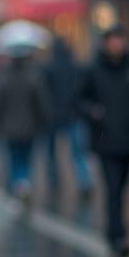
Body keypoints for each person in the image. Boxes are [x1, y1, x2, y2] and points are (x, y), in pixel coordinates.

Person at [77, 28, 129, 256]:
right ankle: (117, 234)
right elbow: (80, 99)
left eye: (120, 40)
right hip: (105, 139)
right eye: (113, 41)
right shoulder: (94, 70)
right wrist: (92, 111)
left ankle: (116, 231)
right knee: (112, 188)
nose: (117, 45)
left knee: (122, 186)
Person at [0, 51, 52, 200]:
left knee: (14, 158)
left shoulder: (3, 78)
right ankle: (24, 182)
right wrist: (44, 122)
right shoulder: (34, 78)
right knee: (26, 158)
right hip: (30, 127)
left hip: (9, 128)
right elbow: (42, 104)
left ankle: (18, 185)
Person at [42, 35, 92, 198]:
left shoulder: (48, 68)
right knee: (78, 153)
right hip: (73, 115)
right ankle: (84, 181)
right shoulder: (76, 67)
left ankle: (55, 180)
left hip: (53, 116)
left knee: (51, 153)